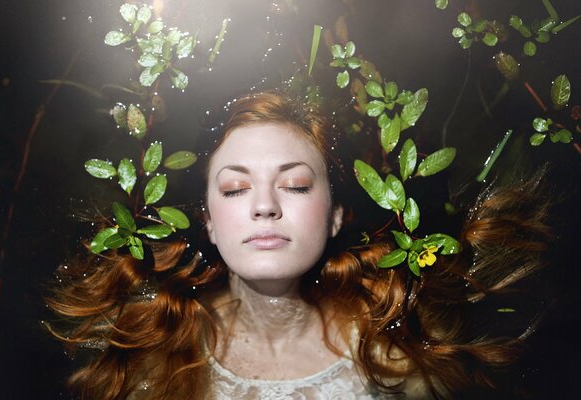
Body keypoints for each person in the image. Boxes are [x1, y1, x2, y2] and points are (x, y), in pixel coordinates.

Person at [47, 91, 551, 399]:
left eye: (296, 184)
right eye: (235, 189)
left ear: (335, 216)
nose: (264, 206)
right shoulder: (150, 358)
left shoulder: (407, 353)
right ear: (209, 222)